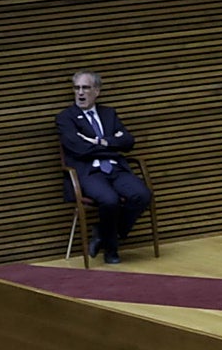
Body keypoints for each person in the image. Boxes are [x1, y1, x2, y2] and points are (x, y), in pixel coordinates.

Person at [56, 70, 152, 265]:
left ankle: (103, 232)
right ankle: (111, 249)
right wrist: (110, 145)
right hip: (89, 172)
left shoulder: (109, 114)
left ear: (97, 91)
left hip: (116, 169)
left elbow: (128, 141)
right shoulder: (66, 118)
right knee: (110, 200)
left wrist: (99, 142)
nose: (80, 93)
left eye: (85, 88)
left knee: (142, 195)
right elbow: (78, 148)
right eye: (77, 88)